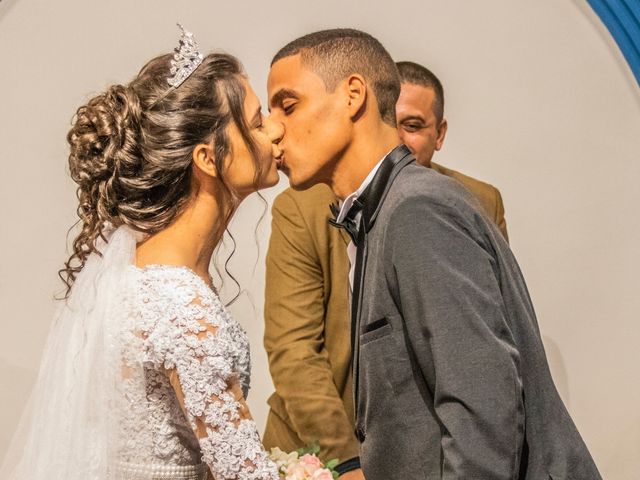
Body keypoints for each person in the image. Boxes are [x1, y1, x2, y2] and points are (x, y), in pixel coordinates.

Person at [267, 28, 602, 479]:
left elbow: (481, 409)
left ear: (352, 96)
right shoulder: (384, 209)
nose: (272, 129)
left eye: (288, 106)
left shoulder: (417, 209)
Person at [0, 26, 283, 480]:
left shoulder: (137, 279)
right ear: (208, 159)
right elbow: (246, 474)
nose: (277, 130)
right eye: (257, 122)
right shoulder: (180, 306)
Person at [262, 61, 507, 478]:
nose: (401, 139)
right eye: (394, 122)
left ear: (439, 133)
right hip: (321, 449)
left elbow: (480, 355)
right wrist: (350, 463)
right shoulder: (301, 205)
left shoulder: (476, 200)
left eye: (414, 125)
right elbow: (295, 349)